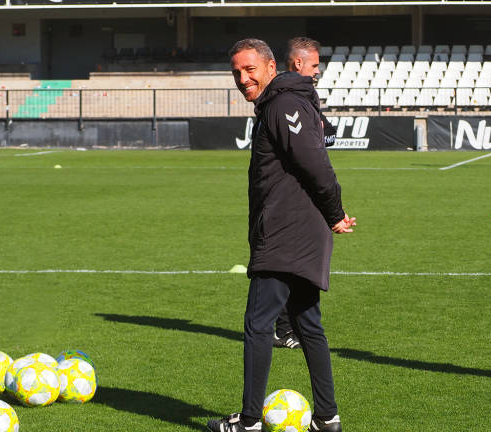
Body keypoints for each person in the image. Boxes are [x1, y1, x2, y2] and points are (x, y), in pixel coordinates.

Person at [207, 38, 355, 432]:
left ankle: (249, 422)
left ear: (272, 68)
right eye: (236, 72)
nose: (243, 78)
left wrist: (335, 212)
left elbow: (315, 163)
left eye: (250, 69)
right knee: (307, 323)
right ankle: (327, 418)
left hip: (286, 234)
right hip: (297, 231)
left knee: (258, 323)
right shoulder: (280, 103)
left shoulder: (283, 104)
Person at [270, 37, 338, 351]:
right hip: (292, 198)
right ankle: (285, 329)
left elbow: (322, 133)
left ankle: (291, 328)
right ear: (298, 63)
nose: (318, 70)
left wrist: (321, 130)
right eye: (314, 64)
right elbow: (303, 152)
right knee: (289, 268)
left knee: (297, 267)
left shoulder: (303, 95)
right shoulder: (286, 99)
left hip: (303, 196)